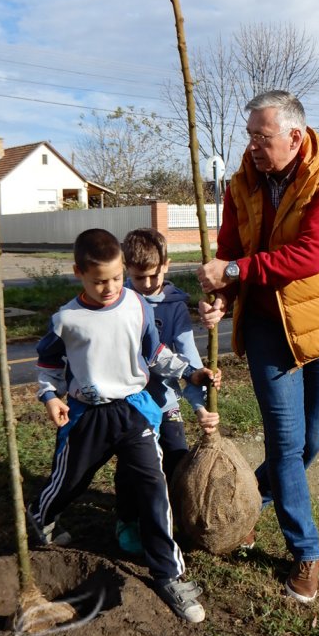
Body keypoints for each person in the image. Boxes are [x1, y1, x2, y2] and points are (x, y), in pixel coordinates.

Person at [197, 90, 319, 604]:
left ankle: (249, 503)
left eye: (261, 137)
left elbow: (310, 255)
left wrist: (233, 272)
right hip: (270, 326)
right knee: (286, 444)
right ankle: (306, 554)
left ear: (295, 136)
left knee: (310, 441)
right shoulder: (241, 183)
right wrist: (221, 295)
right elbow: (230, 247)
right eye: (248, 135)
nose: (252, 146)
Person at [28, 227, 217, 623]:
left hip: (133, 411)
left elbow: (155, 352)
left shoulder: (136, 304)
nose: (111, 287)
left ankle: (169, 573)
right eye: (100, 281)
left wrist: (191, 373)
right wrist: (51, 397)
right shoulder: (67, 319)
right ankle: (40, 517)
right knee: (70, 481)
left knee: (153, 486)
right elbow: (48, 366)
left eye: (116, 277)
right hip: (88, 414)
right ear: (78, 272)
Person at [114, 228, 220, 555]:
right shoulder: (121, 302)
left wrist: (202, 408)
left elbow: (188, 359)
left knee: (175, 458)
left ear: (167, 266)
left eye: (152, 275)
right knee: (131, 466)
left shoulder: (175, 306)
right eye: (137, 277)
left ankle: (171, 519)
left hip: (166, 403)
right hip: (130, 403)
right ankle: (128, 519)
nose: (145, 284)